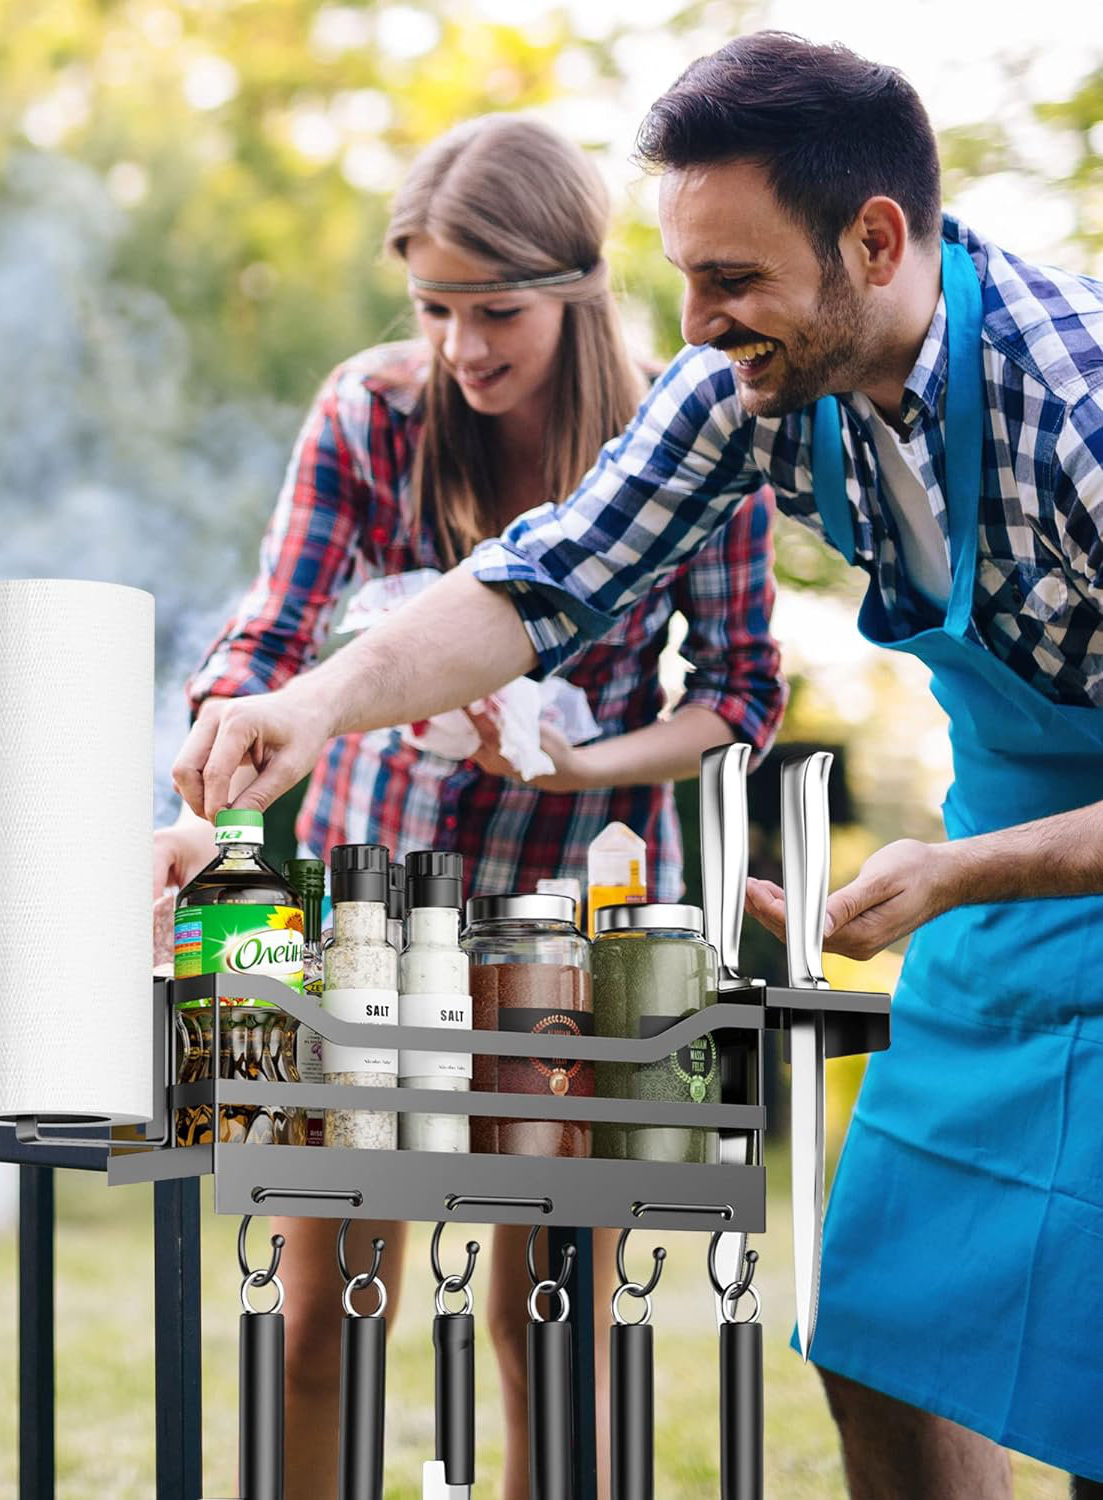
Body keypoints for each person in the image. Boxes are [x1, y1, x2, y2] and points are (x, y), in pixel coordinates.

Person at [173, 34, 1103, 1500]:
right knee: (884, 1339)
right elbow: (542, 580)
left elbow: (733, 688)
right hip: (995, 877)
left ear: (874, 241)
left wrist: (955, 874)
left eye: (731, 280)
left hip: (1003, 869)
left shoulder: (1083, 410)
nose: (698, 320)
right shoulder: (746, 386)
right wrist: (317, 705)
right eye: (684, 276)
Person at [156, 114, 786, 1500]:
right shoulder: (371, 412)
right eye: (434, 308)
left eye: (494, 310)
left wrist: (582, 762)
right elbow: (271, 632)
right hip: (360, 900)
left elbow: (742, 694)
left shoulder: (693, 435)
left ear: (576, 289)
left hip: (584, 912)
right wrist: (222, 734)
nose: (461, 346)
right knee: (321, 1311)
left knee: (548, 1320)